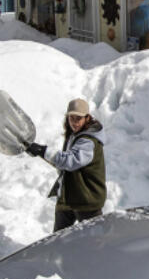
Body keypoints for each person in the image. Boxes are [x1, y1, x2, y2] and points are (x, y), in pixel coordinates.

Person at [25, 98, 107, 232]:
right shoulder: (74, 136)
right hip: (69, 197)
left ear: (87, 118)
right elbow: (64, 164)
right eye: (71, 118)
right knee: (58, 239)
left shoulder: (88, 141)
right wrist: (40, 153)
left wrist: (44, 151)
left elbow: (71, 161)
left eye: (78, 118)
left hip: (87, 200)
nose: (74, 122)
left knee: (96, 241)